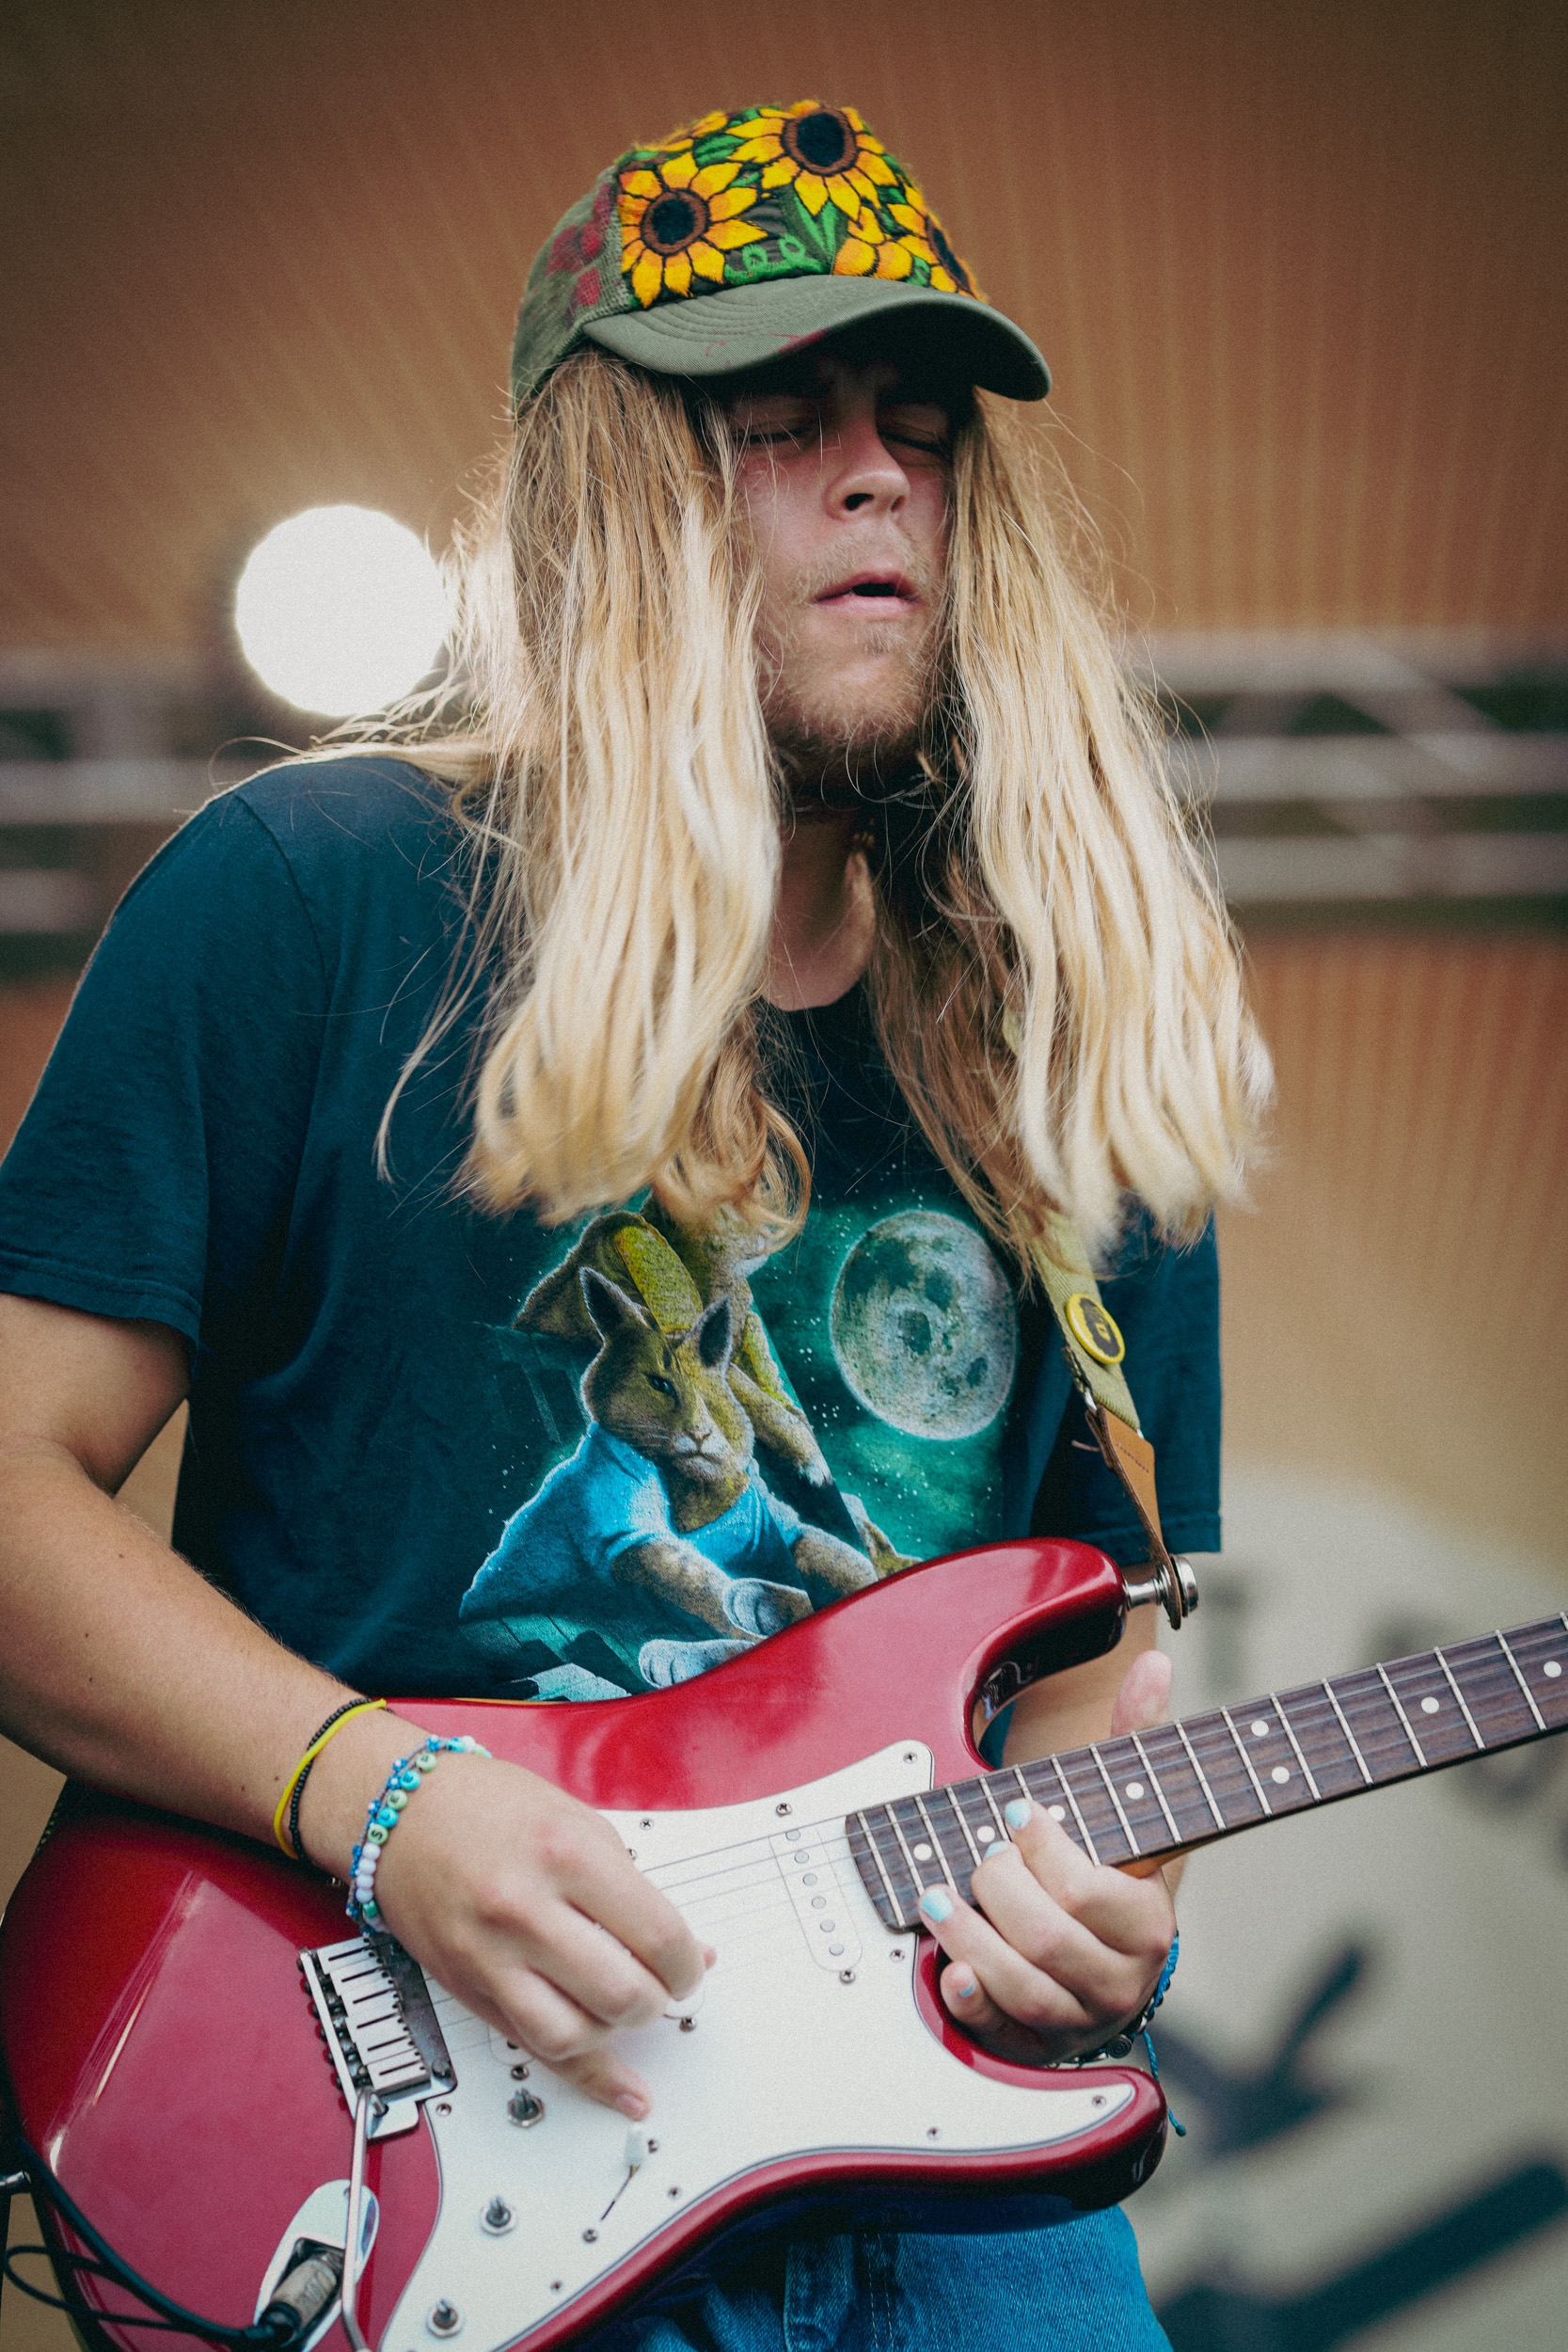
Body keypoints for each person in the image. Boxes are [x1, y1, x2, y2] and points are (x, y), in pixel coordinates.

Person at [0, 99, 1269, 2352]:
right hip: (423, 2141)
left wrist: (1102, 1908)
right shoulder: (315, 901)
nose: (882, 475)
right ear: (614, 491)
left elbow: (1087, 1672)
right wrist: (380, 1797)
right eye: (784, 421)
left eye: (921, 424)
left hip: (936, 2174)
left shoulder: (1082, 1038)